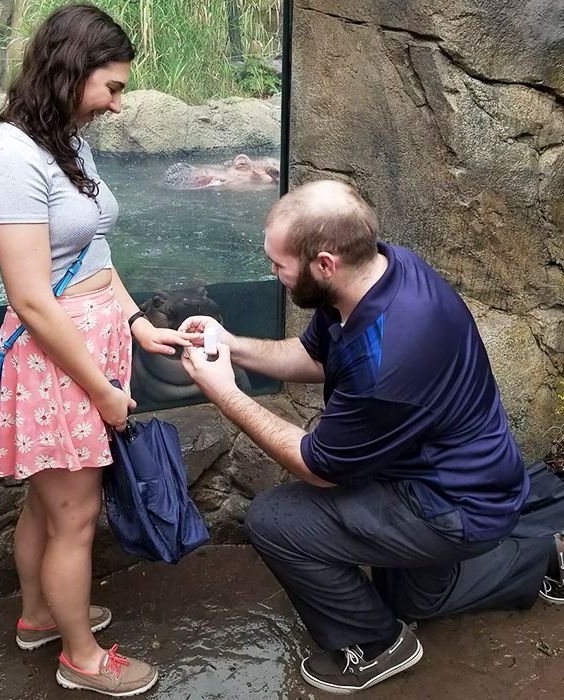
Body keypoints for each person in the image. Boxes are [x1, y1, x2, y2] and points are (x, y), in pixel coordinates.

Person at [179, 179, 564, 694]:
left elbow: (317, 468)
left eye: (279, 264)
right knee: (414, 601)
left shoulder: (391, 357)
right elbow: (312, 355)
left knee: (274, 518)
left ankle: (379, 646)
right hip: (445, 475)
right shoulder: (384, 267)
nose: (273, 274)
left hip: (452, 504)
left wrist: (224, 394)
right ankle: (546, 555)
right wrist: (231, 344)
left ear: (324, 264)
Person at [0, 5, 192, 695]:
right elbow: (33, 298)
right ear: (71, 72)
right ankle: (81, 658)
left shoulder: (67, 136)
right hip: (56, 359)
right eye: (112, 87)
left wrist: (133, 322)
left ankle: (40, 615)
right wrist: (99, 387)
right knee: (74, 515)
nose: (118, 105)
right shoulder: (9, 154)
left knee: (47, 506)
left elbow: (93, 246)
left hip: (92, 344)